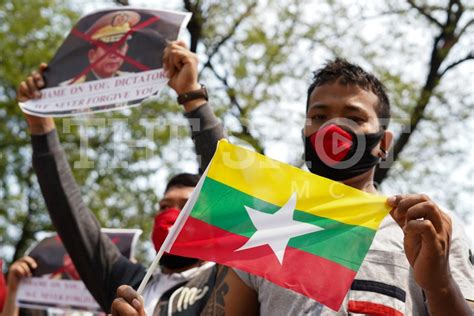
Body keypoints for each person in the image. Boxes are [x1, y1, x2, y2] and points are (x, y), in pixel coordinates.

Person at [111, 57, 474, 315]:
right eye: (319, 116)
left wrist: (439, 282)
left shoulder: (431, 233)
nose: (335, 129)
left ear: (384, 142)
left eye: (354, 116)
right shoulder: (259, 225)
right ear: (305, 133)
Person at [18, 40, 226, 315]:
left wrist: (190, 95)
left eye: (184, 206)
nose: (170, 215)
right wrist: (40, 125)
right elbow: (71, 218)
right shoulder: (127, 284)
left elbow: (225, 178)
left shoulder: (226, 279)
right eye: (164, 207)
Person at [60, 10, 140, 85]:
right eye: (108, 47)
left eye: (120, 46)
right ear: (92, 55)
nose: (114, 55)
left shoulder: (134, 82)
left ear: (126, 49)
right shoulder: (70, 88)